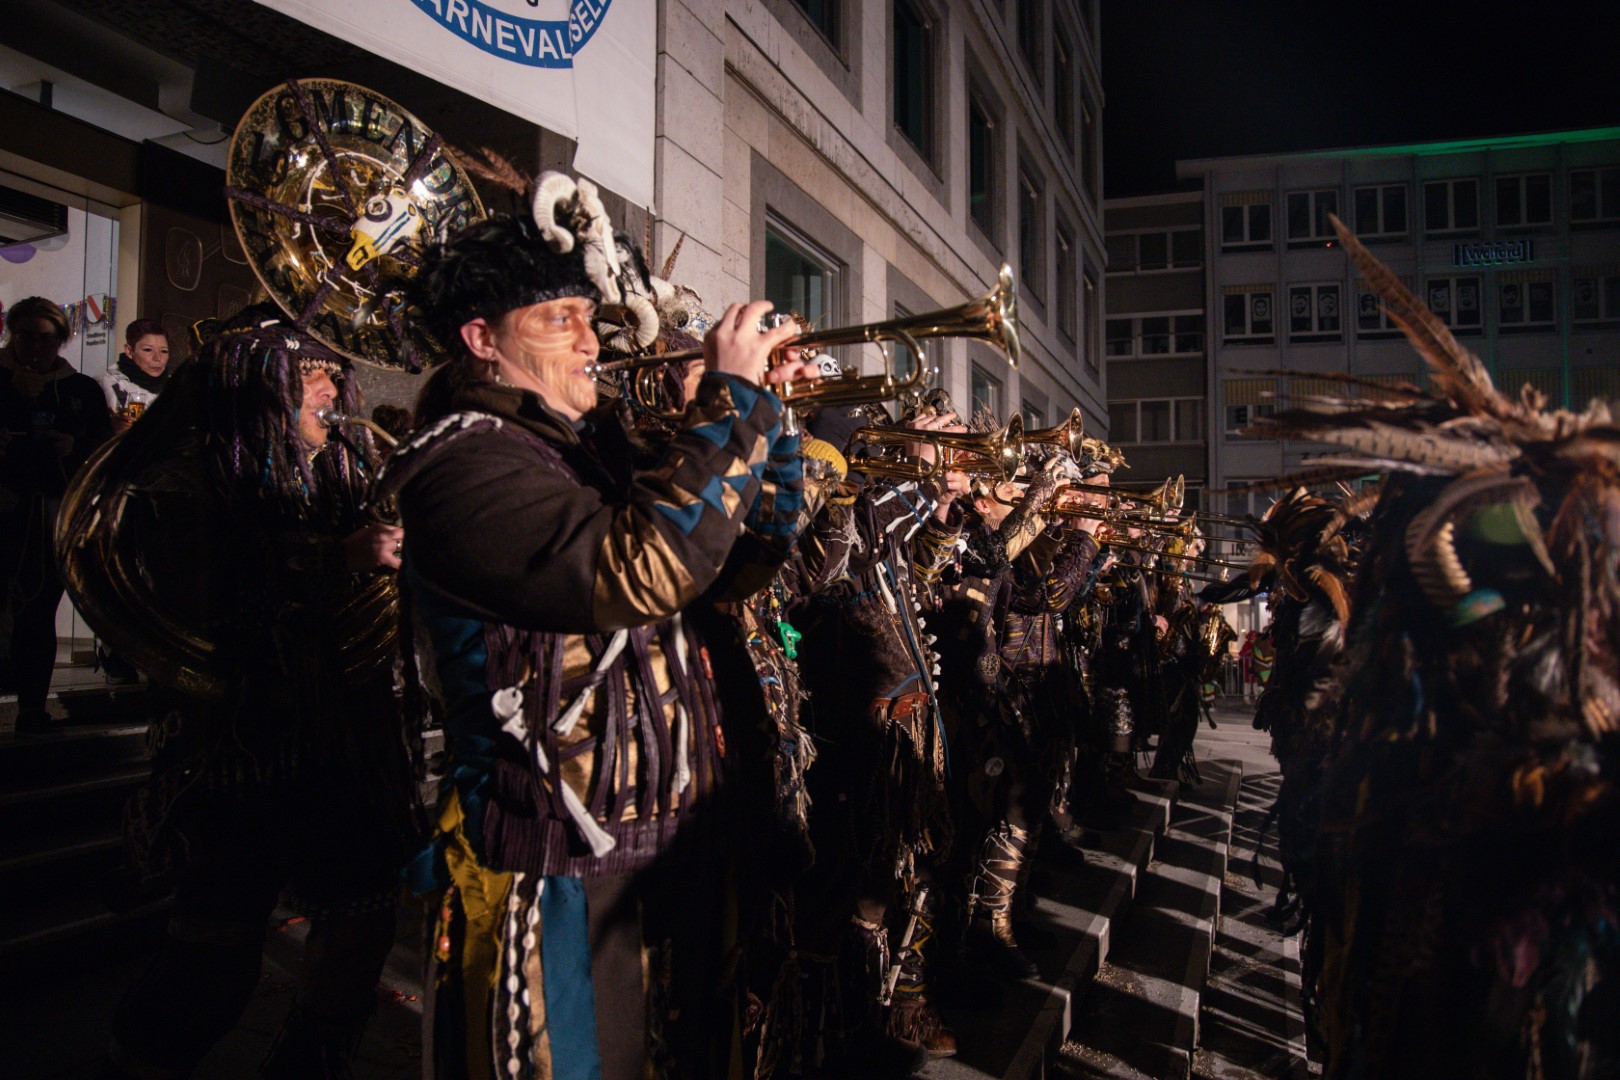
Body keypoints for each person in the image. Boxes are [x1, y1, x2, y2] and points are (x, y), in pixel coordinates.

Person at [378, 174, 819, 1079]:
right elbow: (643, 568)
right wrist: (729, 398)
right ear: (482, 340)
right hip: (556, 862)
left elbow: (740, 565)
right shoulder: (459, 466)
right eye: (559, 320)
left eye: (588, 316)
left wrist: (766, 415)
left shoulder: (586, 449)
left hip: (669, 839)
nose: (591, 342)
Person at [67, 309, 421, 1078]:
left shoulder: (346, 469)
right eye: (310, 372)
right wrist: (331, 558)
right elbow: (206, 603)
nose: (331, 388)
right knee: (211, 960)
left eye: (334, 371)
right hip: (241, 753)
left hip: (349, 742)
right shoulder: (187, 477)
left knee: (360, 931)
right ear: (255, 385)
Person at [0, 295, 113, 732]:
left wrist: (74, 446)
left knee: (38, 609)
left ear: (61, 340)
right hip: (5, 504)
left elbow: (104, 450)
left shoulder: (80, 389)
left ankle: (32, 708)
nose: (35, 348)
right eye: (26, 337)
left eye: (45, 339)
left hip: (51, 510)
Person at [101, 318, 171, 433]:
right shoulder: (112, 382)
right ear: (129, 351)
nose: (158, 358)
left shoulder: (174, 385)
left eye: (164, 351)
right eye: (148, 350)